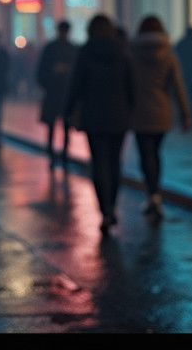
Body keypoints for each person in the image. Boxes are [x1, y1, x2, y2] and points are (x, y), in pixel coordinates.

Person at [64, 14, 136, 235]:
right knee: (115, 163)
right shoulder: (122, 51)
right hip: (119, 116)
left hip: (94, 116)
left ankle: (104, 209)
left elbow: (76, 84)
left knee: (99, 163)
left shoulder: (86, 52)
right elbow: (131, 84)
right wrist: (131, 110)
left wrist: (69, 111)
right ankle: (112, 205)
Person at [128, 15, 192, 218]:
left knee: (145, 155)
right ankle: (155, 195)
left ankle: (152, 195)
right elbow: (178, 87)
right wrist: (185, 114)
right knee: (155, 154)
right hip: (162, 112)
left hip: (138, 112)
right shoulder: (169, 55)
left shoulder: (132, 53)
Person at [36, 20, 78, 169]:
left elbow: (40, 73)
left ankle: (56, 156)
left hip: (56, 93)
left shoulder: (51, 48)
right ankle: (60, 156)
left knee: (55, 126)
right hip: (62, 93)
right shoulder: (72, 49)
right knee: (60, 127)